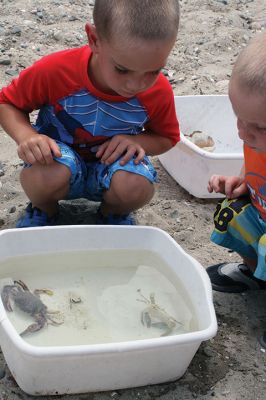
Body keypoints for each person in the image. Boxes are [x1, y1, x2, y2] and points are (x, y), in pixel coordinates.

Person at [0, 0, 180, 227]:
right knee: (43, 176)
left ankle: (111, 215)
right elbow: (7, 103)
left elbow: (167, 137)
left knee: (136, 186)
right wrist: (26, 136)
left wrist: (136, 141)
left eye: (154, 71)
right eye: (122, 69)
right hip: (56, 164)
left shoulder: (157, 91)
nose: (136, 84)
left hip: (113, 169)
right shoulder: (56, 71)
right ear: (94, 39)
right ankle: (44, 210)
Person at [206, 32, 266, 347]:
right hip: (262, 215)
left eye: (260, 126)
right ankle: (257, 275)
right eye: (239, 118)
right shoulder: (255, 139)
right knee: (231, 212)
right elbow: (254, 167)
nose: (244, 131)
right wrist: (243, 183)